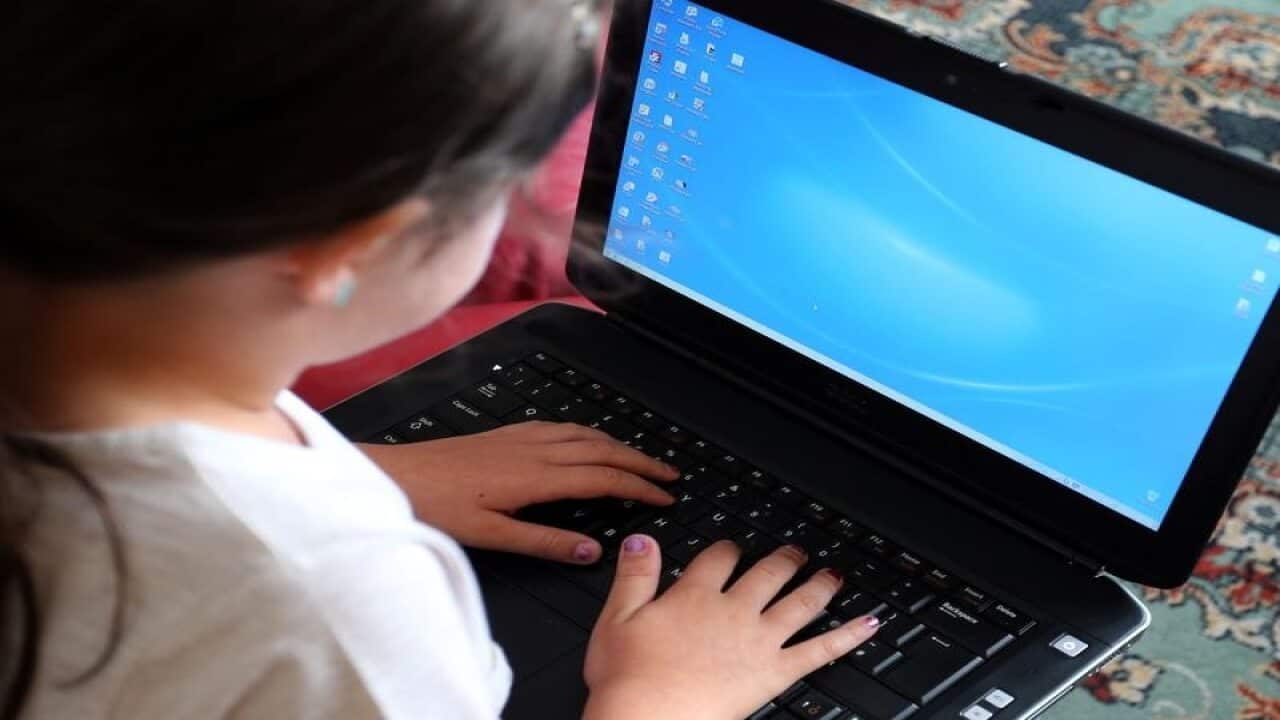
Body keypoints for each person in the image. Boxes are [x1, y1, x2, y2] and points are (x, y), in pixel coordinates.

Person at [0, 1, 881, 719]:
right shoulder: (340, 596)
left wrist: (360, 471)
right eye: (505, 183)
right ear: (351, 247)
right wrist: (663, 698)